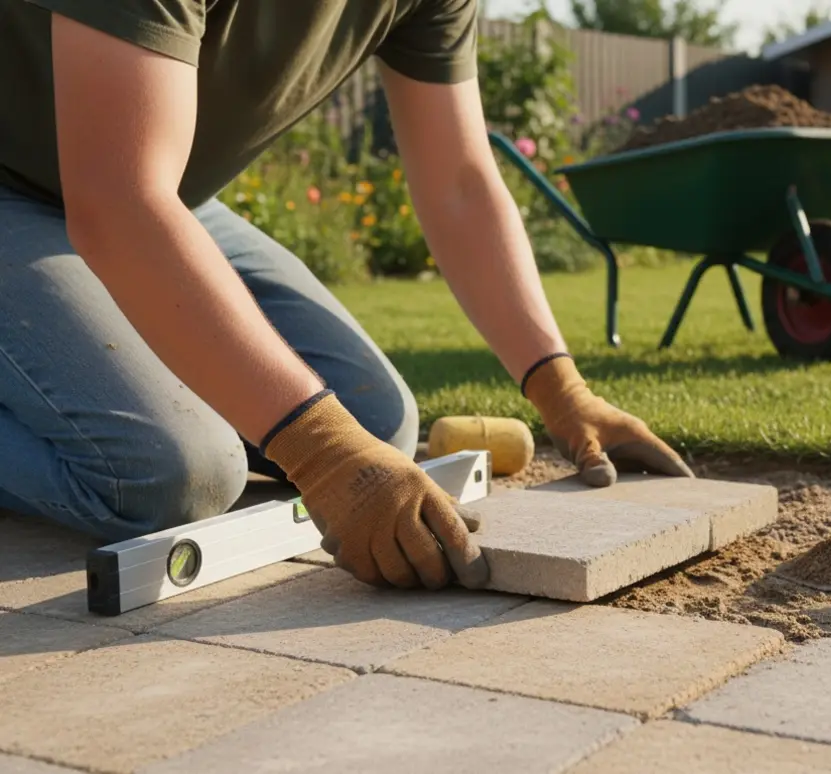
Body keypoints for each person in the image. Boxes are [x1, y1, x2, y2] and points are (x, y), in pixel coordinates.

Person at [0, 0, 692, 592]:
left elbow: (458, 182)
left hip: (163, 188)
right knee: (169, 475)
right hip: (55, 185)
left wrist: (561, 390)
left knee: (376, 424)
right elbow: (117, 203)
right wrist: (321, 452)